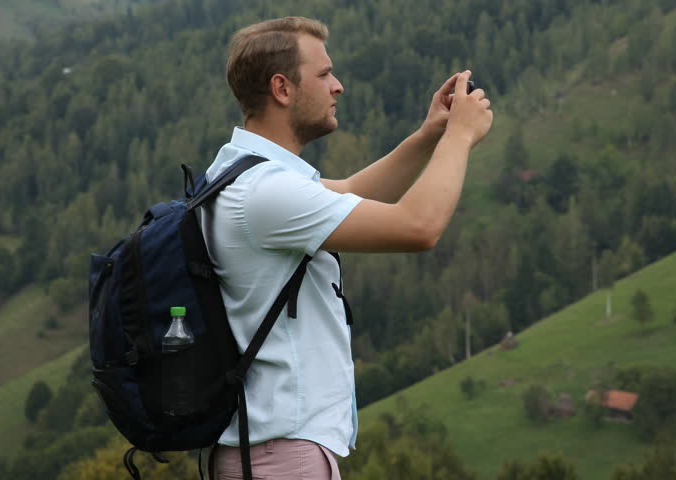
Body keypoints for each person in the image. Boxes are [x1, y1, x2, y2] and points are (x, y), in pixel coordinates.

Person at [199, 16, 493, 480]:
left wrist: (429, 135)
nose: (337, 86)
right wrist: (461, 136)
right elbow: (420, 227)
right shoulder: (266, 194)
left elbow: (355, 193)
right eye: (323, 74)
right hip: (282, 459)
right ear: (282, 88)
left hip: (268, 453)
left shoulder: (241, 174)